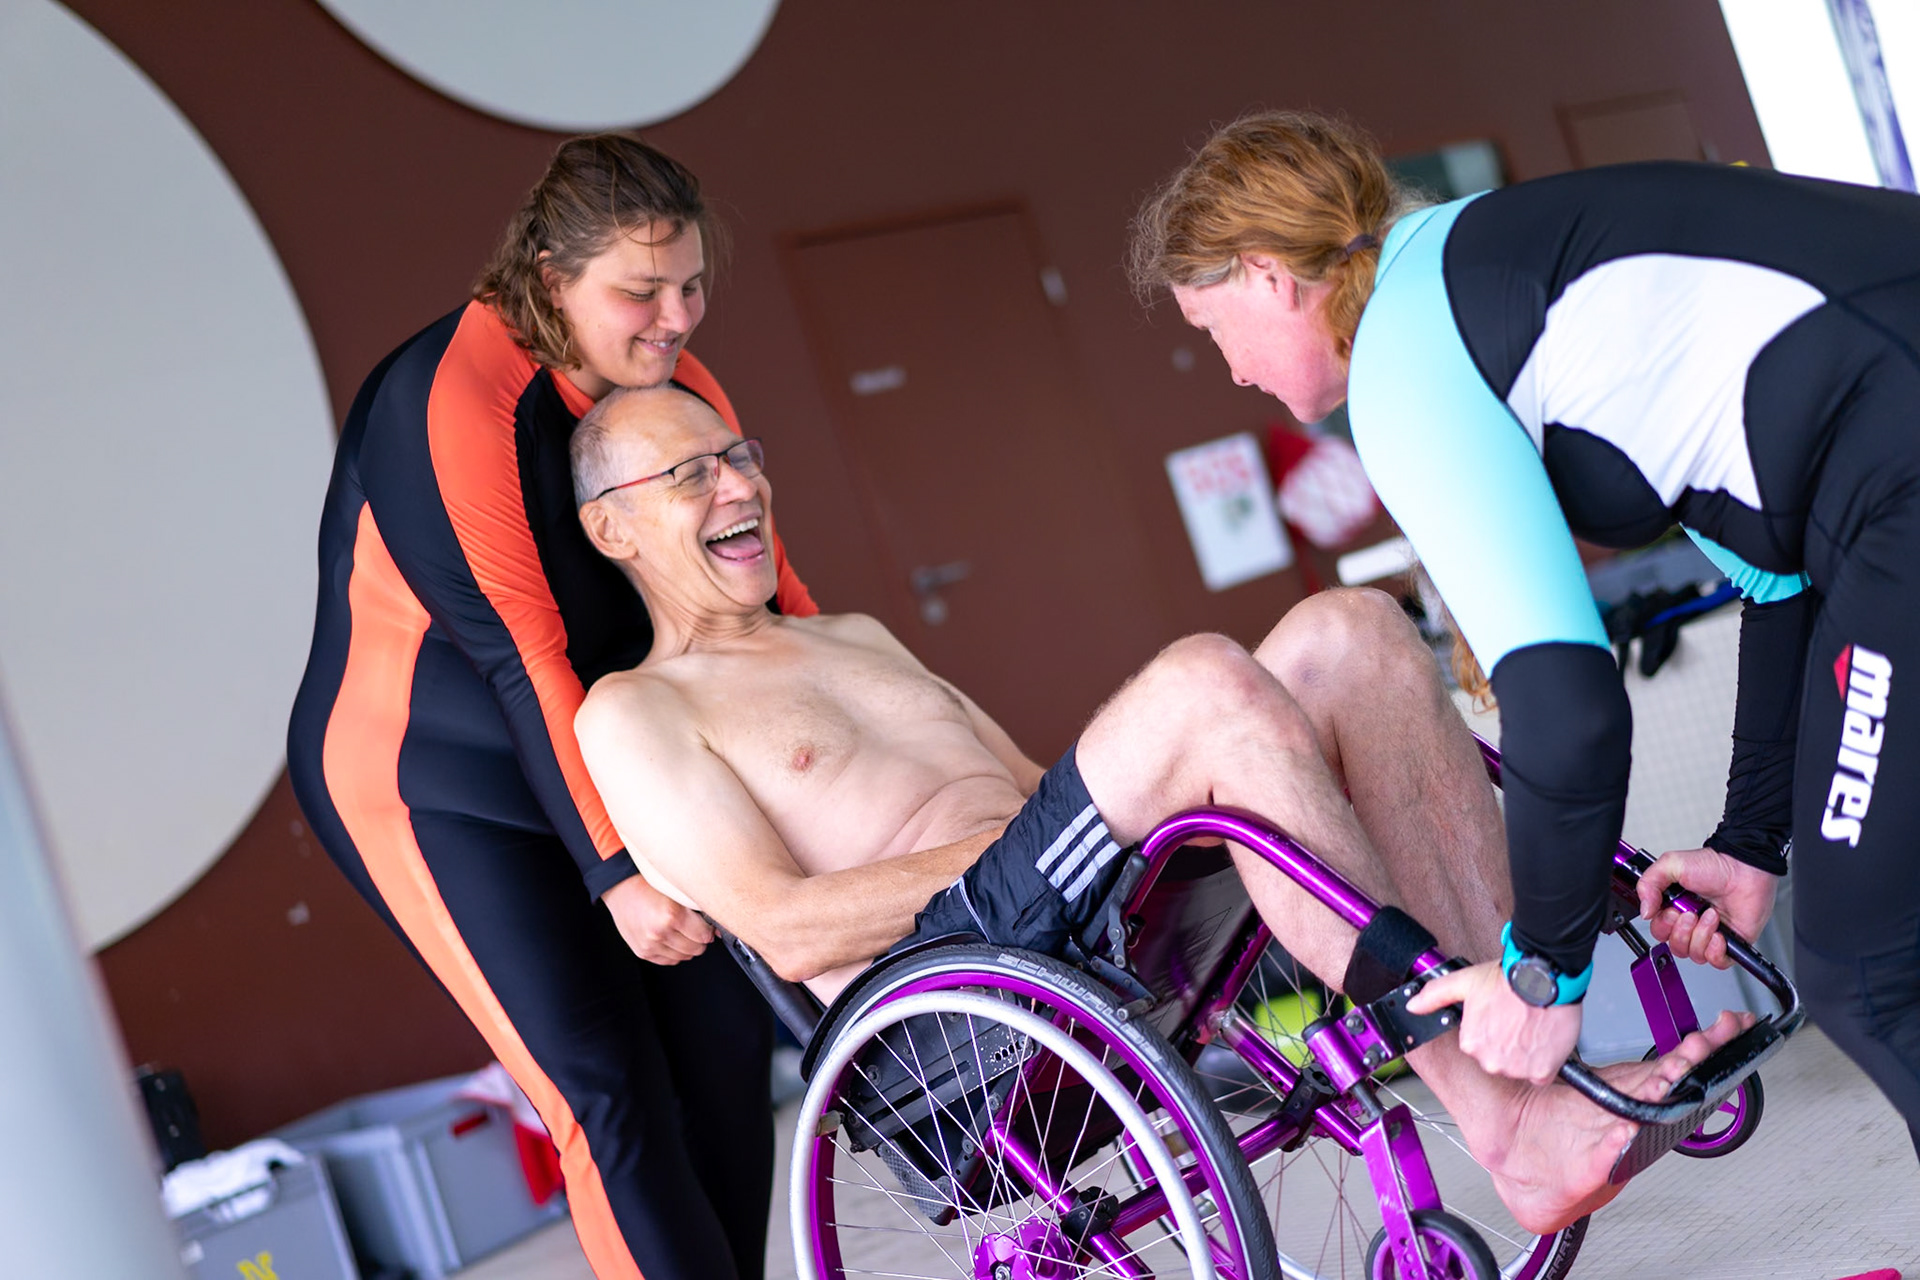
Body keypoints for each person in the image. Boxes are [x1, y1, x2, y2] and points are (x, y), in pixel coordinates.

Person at [566, 383, 1746, 1235]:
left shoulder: (852, 635)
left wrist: (1135, 789)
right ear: (612, 527)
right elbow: (783, 926)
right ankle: (1510, 1127)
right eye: (691, 474)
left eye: (740, 454)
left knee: (1353, 628)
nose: (739, 485)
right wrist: (1040, 823)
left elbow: (1042, 796)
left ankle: (1537, 1045)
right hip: (953, 1016)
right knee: (1196, 681)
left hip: (1060, 908)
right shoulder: (635, 711)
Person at [1128, 110, 1920, 1150]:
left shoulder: (1409, 360)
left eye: (1213, 327)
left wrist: (1543, 970)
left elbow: (1568, 703)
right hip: (1883, 452)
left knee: (1866, 964)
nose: (1230, 369)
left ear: (1270, 276)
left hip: (1897, 475)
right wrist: (1750, 837)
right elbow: (1772, 581)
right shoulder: (1492, 255)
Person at [287, 135, 815, 1280]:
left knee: (726, 1064)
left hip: (603, 754)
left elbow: (770, 595)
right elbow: (522, 655)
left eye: (691, 284)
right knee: (608, 1090)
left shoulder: (677, 394)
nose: (674, 317)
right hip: (430, 782)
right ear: (548, 271)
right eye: (640, 291)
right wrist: (617, 868)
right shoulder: (447, 400)